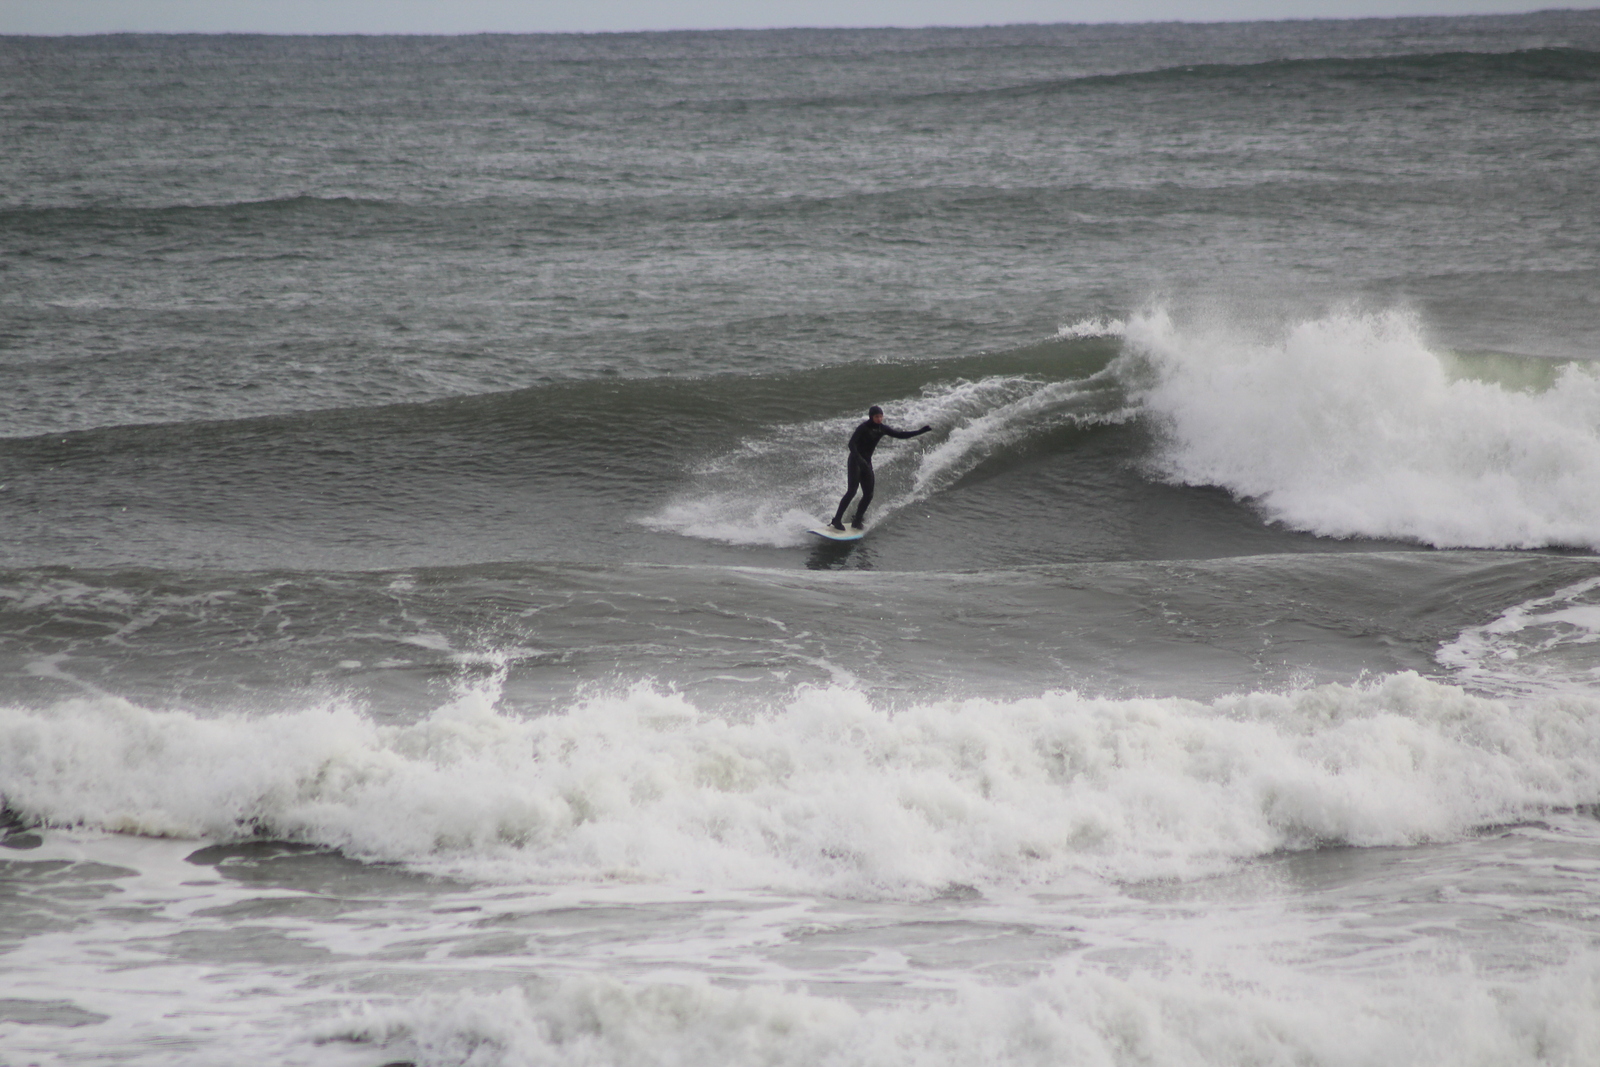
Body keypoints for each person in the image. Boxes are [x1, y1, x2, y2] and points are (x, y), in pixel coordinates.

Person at [829, 405, 933, 530]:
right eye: (876, 416)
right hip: (855, 461)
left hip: (867, 463)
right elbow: (851, 444)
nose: (879, 419)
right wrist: (859, 459)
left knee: (869, 494)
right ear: (871, 417)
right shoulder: (863, 428)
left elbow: (900, 435)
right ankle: (837, 520)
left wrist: (920, 431)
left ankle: (857, 520)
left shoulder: (882, 429)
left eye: (880, 416)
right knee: (852, 491)